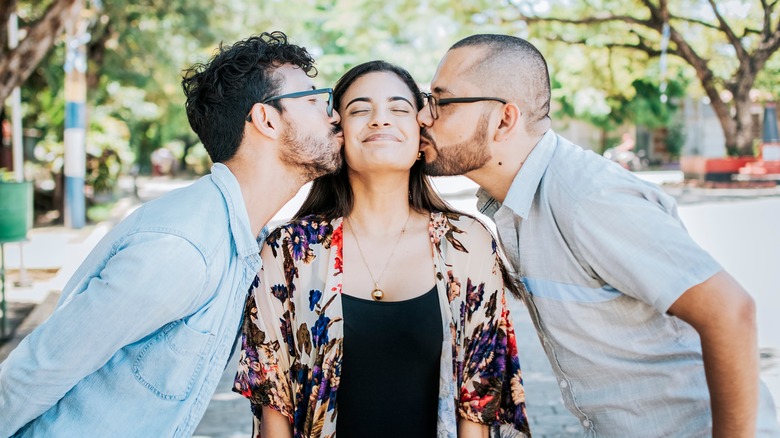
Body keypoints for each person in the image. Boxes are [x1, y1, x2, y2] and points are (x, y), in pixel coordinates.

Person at [417, 34, 780, 437]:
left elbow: (730, 310)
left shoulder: (587, 198)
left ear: (505, 119)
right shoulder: (513, 201)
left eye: (441, 101)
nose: (422, 117)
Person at [0, 31, 342, 437]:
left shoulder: (248, 239)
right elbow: (36, 370)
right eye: (313, 99)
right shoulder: (186, 247)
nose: (333, 115)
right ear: (266, 119)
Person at [233, 60, 531, 438]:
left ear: (421, 134)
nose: (379, 120)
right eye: (359, 110)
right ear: (337, 134)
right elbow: (273, 400)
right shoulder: (289, 250)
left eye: (399, 108)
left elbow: (479, 398)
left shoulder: (466, 242)